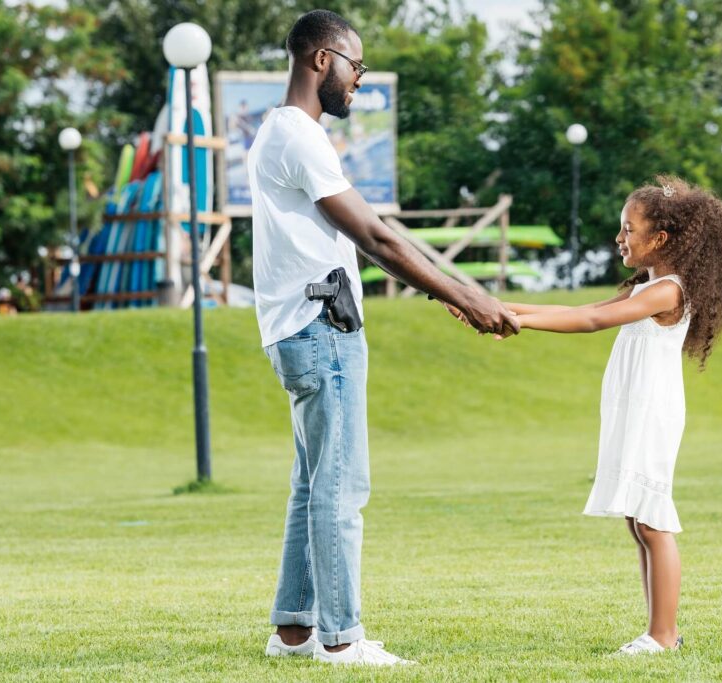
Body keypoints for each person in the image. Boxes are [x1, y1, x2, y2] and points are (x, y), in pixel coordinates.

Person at [248, 9, 519, 667]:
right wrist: (463, 295)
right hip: (322, 329)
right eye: (355, 67)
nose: (358, 81)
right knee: (341, 485)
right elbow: (375, 237)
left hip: (300, 329)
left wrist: (455, 287)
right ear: (322, 60)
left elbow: (375, 229)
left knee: (315, 482)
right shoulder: (298, 137)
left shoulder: (278, 134)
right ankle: (341, 638)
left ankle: (293, 631)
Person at [472, 176, 722, 655]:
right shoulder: (648, 283)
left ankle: (664, 636)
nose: (619, 238)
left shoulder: (669, 292)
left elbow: (593, 322)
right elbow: (586, 307)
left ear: (659, 239)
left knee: (653, 519)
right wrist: (496, 307)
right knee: (637, 519)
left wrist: (517, 323)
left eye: (628, 229)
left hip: (652, 411)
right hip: (633, 407)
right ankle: (658, 632)